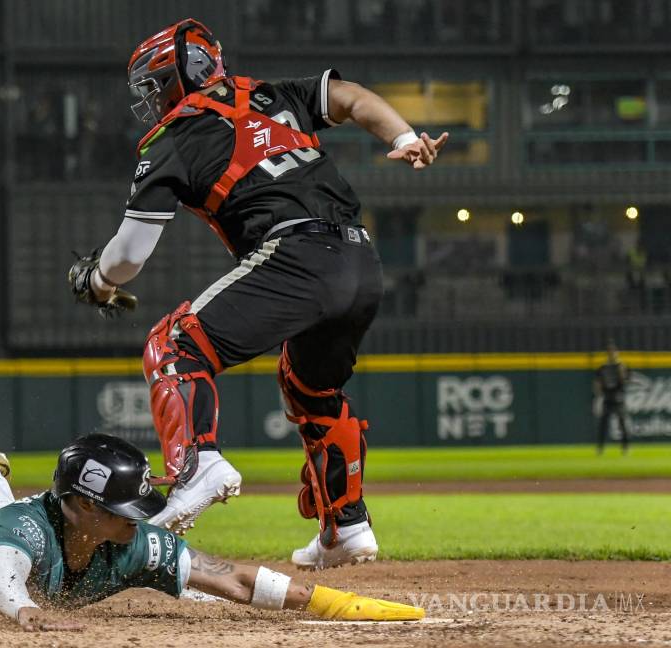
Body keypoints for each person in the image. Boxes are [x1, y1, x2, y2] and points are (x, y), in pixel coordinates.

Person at [68, 19, 448, 569]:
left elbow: (129, 255)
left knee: (173, 346)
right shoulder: (273, 93)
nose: (152, 101)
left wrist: (96, 280)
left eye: (156, 85)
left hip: (298, 255)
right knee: (310, 388)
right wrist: (406, 138)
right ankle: (347, 528)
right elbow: (352, 97)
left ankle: (197, 464)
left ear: (182, 76)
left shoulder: (174, 137)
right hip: (362, 261)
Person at [0, 380, 424, 631]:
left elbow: (229, 577)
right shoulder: (26, 537)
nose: (137, 520)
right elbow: (2, 576)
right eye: (122, 509)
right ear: (80, 507)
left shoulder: (118, 540)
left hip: (0, 524)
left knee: (6, 511)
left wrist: (336, 604)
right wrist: (29, 617)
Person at [594, 342, 631, 455]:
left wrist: (622, 373)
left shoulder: (621, 366)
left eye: (613, 352)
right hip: (607, 399)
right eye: (609, 352)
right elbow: (597, 383)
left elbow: (625, 381)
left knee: (623, 424)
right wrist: (599, 395)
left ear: (616, 353)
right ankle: (600, 448)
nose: (611, 354)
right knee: (603, 425)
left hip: (618, 399)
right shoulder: (603, 368)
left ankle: (625, 448)